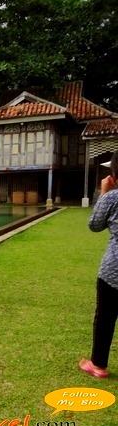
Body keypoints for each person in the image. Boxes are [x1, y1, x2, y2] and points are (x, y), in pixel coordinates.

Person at [79, 152, 118, 379]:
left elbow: (94, 224)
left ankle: (99, 365)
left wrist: (104, 193)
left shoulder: (113, 198)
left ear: (113, 174)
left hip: (113, 270)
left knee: (105, 317)